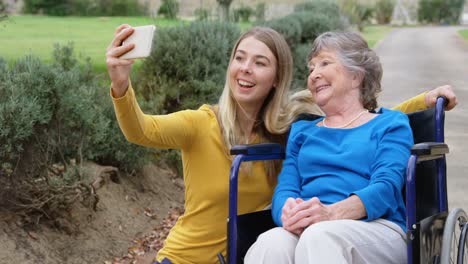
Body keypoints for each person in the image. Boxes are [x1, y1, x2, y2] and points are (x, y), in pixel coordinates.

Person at [106, 24, 457, 264]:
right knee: (272, 242)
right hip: (191, 255)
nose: (245, 69)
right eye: (239, 58)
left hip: (351, 228)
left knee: (318, 237)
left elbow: (371, 130)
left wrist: (424, 102)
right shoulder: (285, 129)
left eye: (260, 63)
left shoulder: (298, 128)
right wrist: (121, 85)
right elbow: (143, 130)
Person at [244, 30, 418, 264]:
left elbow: (386, 188)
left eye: (324, 63)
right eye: (311, 68)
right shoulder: (303, 132)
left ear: (356, 76)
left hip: (377, 228)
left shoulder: (390, 124)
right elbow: (286, 188)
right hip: (312, 228)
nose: (314, 74)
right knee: (270, 243)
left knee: (320, 236)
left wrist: (331, 213)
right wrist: (287, 212)